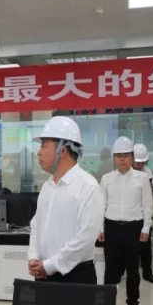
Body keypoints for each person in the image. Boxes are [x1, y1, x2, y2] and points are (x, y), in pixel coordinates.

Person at [28, 116, 103, 284]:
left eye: (43, 146)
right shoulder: (47, 187)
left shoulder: (88, 186)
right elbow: (36, 225)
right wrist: (33, 257)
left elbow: (85, 238)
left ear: (62, 150)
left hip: (75, 277)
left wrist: (50, 265)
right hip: (43, 273)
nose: (39, 152)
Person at [99, 137, 153, 305]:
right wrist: (100, 228)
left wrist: (146, 228)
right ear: (114, 158)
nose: (122, 159)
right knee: (110, 269)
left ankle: (133, 302)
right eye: (118, 156)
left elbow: (147, 205)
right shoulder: (106, 179)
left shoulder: (142, 178)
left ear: (132, 157)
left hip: (134, 228)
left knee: (132, 269)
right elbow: (101, 205)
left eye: (126, 155)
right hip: (112, 227)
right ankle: (107, 302)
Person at [132, 144, 153, 284]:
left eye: (143, 162)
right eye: (138, 162)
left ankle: (147, 273)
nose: (140, 165)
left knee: (146, 246)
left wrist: (150, 187)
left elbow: (152, 192)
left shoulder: (148, 172)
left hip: (145, 214)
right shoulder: (125, 172)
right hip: (130, 214)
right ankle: (124, 272)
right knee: (128, 246)